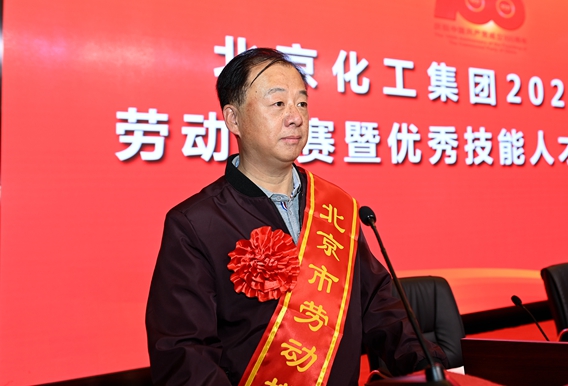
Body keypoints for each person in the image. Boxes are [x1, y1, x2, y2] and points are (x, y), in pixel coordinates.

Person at [146, 48, 446, 385]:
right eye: (278, 103)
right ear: (233, 119)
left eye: (301, 103)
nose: (295, 117)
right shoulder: (195, 224)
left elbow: (379, 306)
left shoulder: (336, 207)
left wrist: (433, 369)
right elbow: (185, 355)